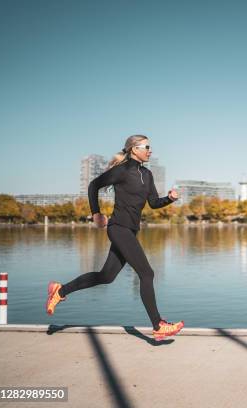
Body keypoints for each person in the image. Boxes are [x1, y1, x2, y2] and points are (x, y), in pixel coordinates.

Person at [46, 135, 184, 341]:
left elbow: (154, 203)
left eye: (150, 147)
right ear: (133, 149)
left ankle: (60, 290)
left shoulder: (147, 174)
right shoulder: (122, 170)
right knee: (147, 274)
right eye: (147, 147)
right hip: (118, 228)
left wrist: (170, 199)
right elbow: (93, 186)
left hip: (131, 230)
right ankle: (158, 325)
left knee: (106, 277)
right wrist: (96, 213)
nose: (150, 150)